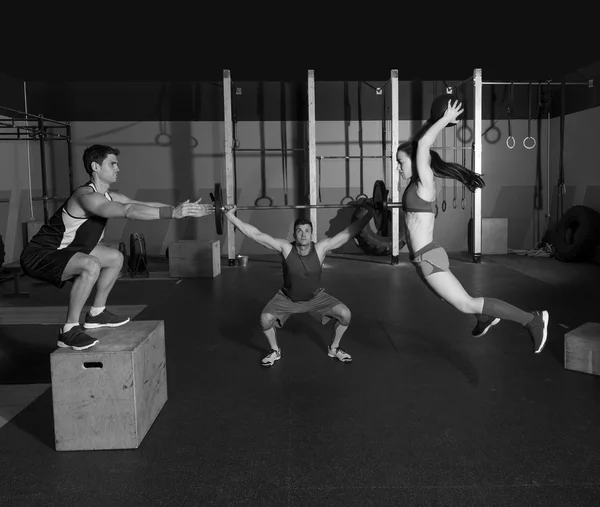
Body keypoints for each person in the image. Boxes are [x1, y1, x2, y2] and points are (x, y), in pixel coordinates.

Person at [20, 144, 214, 351]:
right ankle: (68, 330)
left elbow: (141, 204)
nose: (117, 169)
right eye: (112, 164)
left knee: (115, 258)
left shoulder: (110, 196)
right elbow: (128, 211)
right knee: (91, 265)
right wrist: (173, 213)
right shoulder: (85, 196)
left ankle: (96, 313)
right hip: (41, 254)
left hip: (68, 250)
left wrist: (182, 210)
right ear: (95, 166)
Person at [396, 99, 549, 353]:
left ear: (415, 162)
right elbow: (418, 144)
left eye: (401, 162)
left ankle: (532, 320)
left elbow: (422, 145)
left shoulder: (425, 182)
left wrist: (443, 121)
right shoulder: (414, 185)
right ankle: (485, 317)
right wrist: (432, 121)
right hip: (421, 259)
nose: (398, 168)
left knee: (466, 303)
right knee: (454, 301)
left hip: (428, 258)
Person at [224, 202, 375, 367]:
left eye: (307, 231)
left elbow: (347, 233)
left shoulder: (321, 248)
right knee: (264, 319)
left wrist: (369, 215)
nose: (303, 234)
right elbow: (256, 235)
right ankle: (275, 350)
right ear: (295, 234)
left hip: (316, 298)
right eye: (299, 231)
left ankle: (334, 348)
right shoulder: (285, 248)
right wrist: (230, 216)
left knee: (345, 314)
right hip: (287, 299)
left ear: (311, 234)